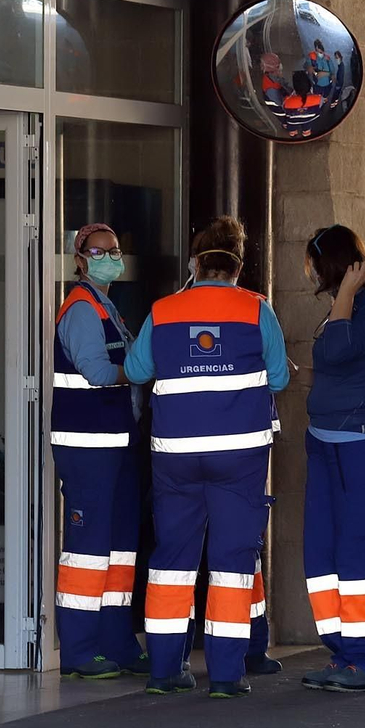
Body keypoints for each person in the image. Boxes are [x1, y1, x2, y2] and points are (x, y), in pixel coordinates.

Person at [122, 217, 289, 698]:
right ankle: (225, 675)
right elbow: (278, 380)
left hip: (175, 457)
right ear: (236, 271)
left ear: (196, 267)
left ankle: (165, 670)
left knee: (172, 559)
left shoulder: (164, 309)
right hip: (239, 456)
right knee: (232, 561)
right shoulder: (258, 309)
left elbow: (136, 369)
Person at [298, 225, 365, 692]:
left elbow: (338, 348)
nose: (311, 273)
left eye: (315, 264)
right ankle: (342, 653)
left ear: (334, 266)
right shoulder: (349, 308)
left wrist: (344, 293)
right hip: (324, 444)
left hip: (361, 446)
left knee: (356, 551)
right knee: (322, 552)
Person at [49, 224, 146, 679]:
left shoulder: (106, 306)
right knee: (88, 550)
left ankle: (116, 642)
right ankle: (79, 650)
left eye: (116, 249)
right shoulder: (83, 309)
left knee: (120, 547)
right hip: (89, 446)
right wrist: (139, 371)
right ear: (80, 259)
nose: (111, 256)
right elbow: (97, 372)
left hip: (116, 442)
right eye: (100, 250)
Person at [282, 70, 324, 137]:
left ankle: (293, 134)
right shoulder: (318, 99)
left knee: (292, 127)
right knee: (307, 126)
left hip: (293, 121)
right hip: (309, 119)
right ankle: (306, 133)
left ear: (295, 86)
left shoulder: (287, 101)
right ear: (309, 84)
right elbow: (320, 106)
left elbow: (284, 109)